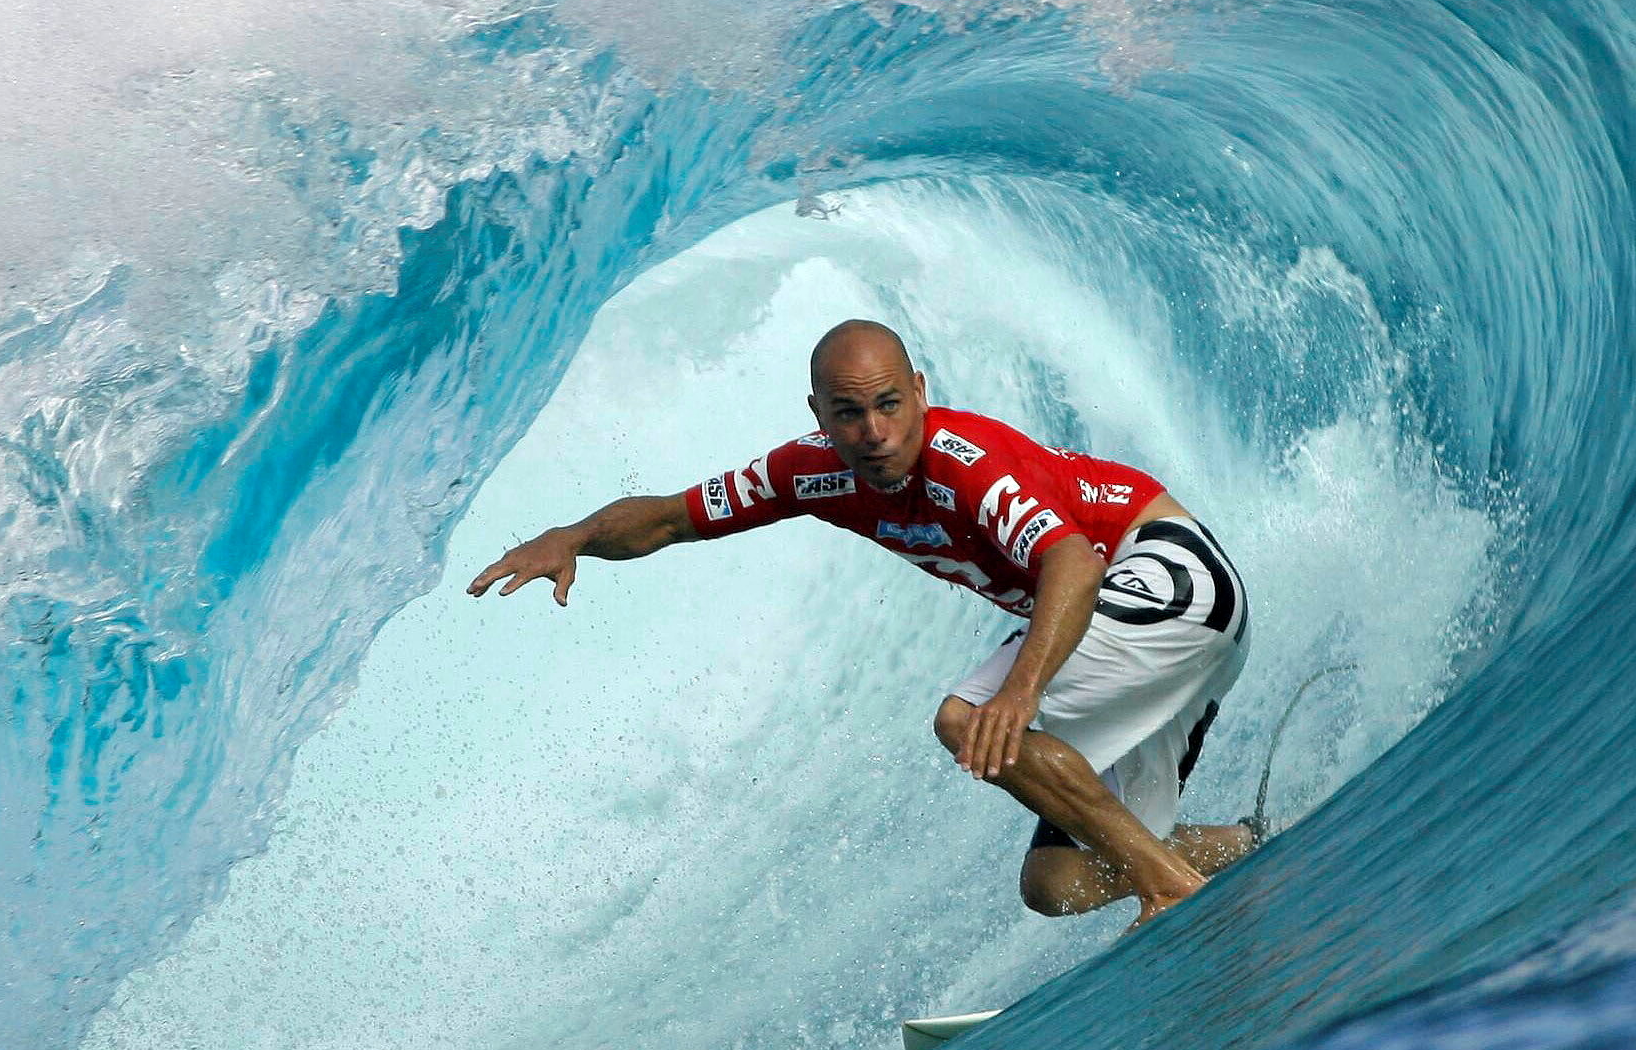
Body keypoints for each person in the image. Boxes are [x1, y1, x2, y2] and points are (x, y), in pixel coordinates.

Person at [467, 319, 1258, 926]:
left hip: (1167, 580)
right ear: (820, 413)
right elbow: (672, 519)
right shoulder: (808, 473)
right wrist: (572, 538)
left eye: (889, 405)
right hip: (1156, 626)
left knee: (968, 719)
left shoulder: (968, 464)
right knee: (1053, 885)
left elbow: (1075, 563)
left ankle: (1167, 887)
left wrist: (1020, 694)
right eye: (849, 414)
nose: (875, 433)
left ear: (919, 389)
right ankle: (1241, 847)